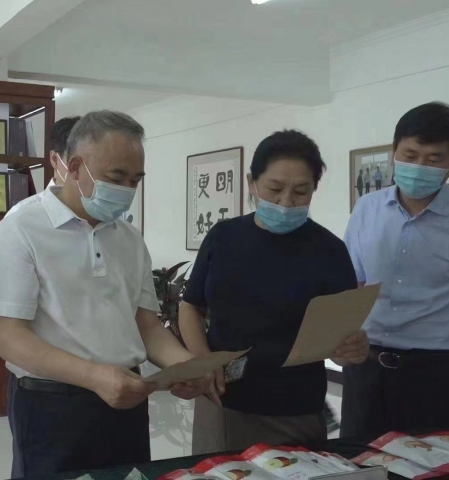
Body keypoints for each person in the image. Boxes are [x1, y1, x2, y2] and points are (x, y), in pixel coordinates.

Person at [0, 110, 205, 478]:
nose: (127, 190)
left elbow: (146, 325)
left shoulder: (129, 239)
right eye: (116, 178)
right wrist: (95, 377)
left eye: (135, 180)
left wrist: (185, 365)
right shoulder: (20, 228)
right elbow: (11, 339)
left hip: (127, 398)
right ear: (74, 167)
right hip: (51, 404)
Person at [178, 130, 370, 455]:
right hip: (220, 401)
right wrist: (201, 360)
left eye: (300, 191)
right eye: (275, 189)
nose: (286, 202)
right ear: (251, 182)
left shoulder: (330, 251)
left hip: (293, 409)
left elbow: (339, 341)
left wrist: (351, 349)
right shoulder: (223, 238)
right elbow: (191, 307)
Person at [342, 102, 449, 437]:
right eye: (411, 155)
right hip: (366, 366)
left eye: (434, 159)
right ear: (394, 153)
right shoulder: (367, 208)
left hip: (435, 372)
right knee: (357, 459)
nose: (419, 167)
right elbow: (351, 284)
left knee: (428, 461)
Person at [6, 116, 80, 216]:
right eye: (76, 163)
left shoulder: (100, 211)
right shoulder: (22, 214)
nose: (86, 169)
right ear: (54, 159)